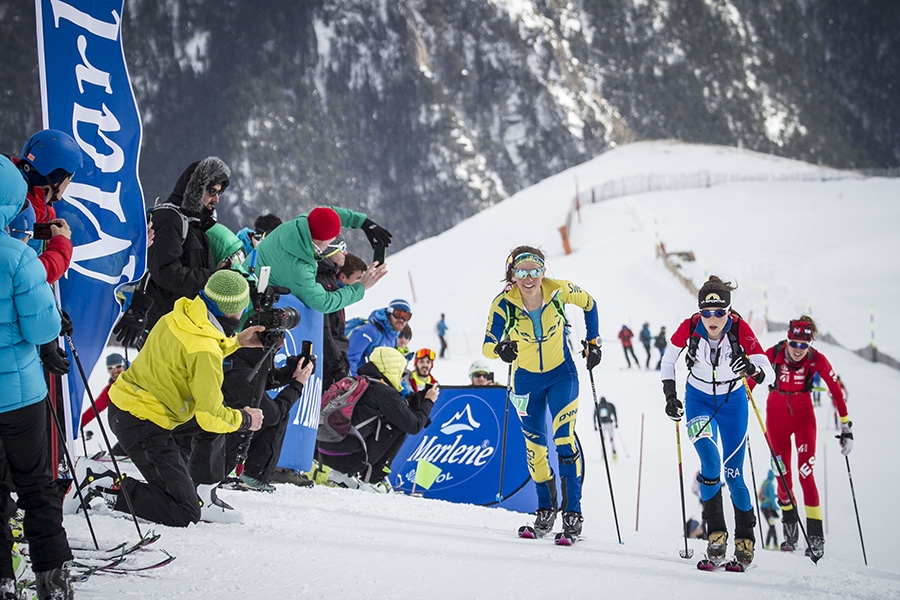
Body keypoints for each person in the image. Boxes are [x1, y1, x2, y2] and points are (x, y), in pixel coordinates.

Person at [65, 270, 266, 527]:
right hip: (142, 423)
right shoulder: (205, 350)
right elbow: (209, 413)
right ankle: (101, 481)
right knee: (184, 512)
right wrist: (246, 420)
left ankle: (204, 494)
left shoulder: (180, 314)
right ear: (233, 311)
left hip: (136, 406)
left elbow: (194, 349)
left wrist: (235, 342)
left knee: (216, 421)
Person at [482, 245, 601, 541]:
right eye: (521, 271)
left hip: (562, 374)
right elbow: (487, 344)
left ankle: (573, 513)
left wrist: (594, 341)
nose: (529, 277)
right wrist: (501, 349)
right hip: (525, 381)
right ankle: (545, 509)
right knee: (535, 452)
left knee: (563, 438)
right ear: (513, 274)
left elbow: (590, 303)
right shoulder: (504, 304)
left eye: (535, 270)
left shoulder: (559, 290)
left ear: (543, 271)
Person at [660, 276, 774, 567]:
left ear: (728, 311)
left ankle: (745, 537)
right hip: (698, 398)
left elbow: (768, 373)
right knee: (710, 463)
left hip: (733, 402)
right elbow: (668, 360)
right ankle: (716, 535)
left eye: (719, 312)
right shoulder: (690, 327)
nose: (713, 319)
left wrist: (750, 368)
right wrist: (670, 395)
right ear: (700, 311)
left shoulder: (739, 328)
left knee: (733, 471)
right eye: (707, 312)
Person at [0, 155, 74, 599]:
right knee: (36, 486)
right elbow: (44, 329)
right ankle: (52, 577)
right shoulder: (19, 258)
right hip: (21, 395)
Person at [113, 157, 231, 349]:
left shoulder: (194, 223)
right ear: (196, 189)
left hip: (179, 325)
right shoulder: (169, 218)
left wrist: (218, 273)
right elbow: (166, 273)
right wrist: (212, 277)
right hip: (162, 326)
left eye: (219, 193)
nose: (216, 199)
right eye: (212, 192)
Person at [759, 316, 851, 558]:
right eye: (794, 343)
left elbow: (836, 392)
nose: (799, 350)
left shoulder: (816, 359)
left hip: (803, 420)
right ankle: (790, 530)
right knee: (783, 477)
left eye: (804, 345)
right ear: (787, 340)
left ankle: (815, 536)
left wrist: (846, 426)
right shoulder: (774, 354)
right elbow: (748, 379)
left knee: (805, 473)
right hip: (776, 420)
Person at [315, 347, 437, 491]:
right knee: (399, 426)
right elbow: (414, 425)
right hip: (347, 459)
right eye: (400, 371)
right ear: (391, 369)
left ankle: (340, 475)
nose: (401, 377)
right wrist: (428, 402)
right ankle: (373, 480)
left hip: (323, 453)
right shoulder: (384, 392)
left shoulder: (360, 382)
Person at [255, 206, 390, 314]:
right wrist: (361, 286)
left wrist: (363, 223)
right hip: (250, 313)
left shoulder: (301, 224)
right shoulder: (300, 269)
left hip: (250, 280)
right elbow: (324, 302)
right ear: (321, 241)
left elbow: (329, 214)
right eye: (331, 241)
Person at [12, 129, 80, 284]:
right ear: (56, 175)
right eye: (70, 176)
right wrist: (61, 244)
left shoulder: (36, 206)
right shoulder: (18, 209)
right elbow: (28, 279)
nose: (69, 182)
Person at [346, 298, 412, 375]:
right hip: (354, 379)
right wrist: (352, 382)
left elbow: (391, 374)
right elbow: (349, 360)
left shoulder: (392, 339)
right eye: (398, 314)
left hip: (370, 380)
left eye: (406, 316)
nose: (401, 319)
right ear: (390, 312)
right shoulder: (369, 331)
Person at [80, 353, 127, 429]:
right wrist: (79, 425)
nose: (114, 371)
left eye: (118, 366)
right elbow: (95, 408)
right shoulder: (111, 390)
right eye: (110, 368)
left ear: (124, 366)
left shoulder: (136, 378)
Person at [758, 470, 780, 550]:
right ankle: (773, 544)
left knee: (771, 526)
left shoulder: (765, 483)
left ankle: (770, 544)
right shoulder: (770, 485)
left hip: (763, 508)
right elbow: (771, 498)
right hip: (768, 509)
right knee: (772, 526)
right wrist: (776, 507)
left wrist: (775, 496)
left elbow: (765, 495)